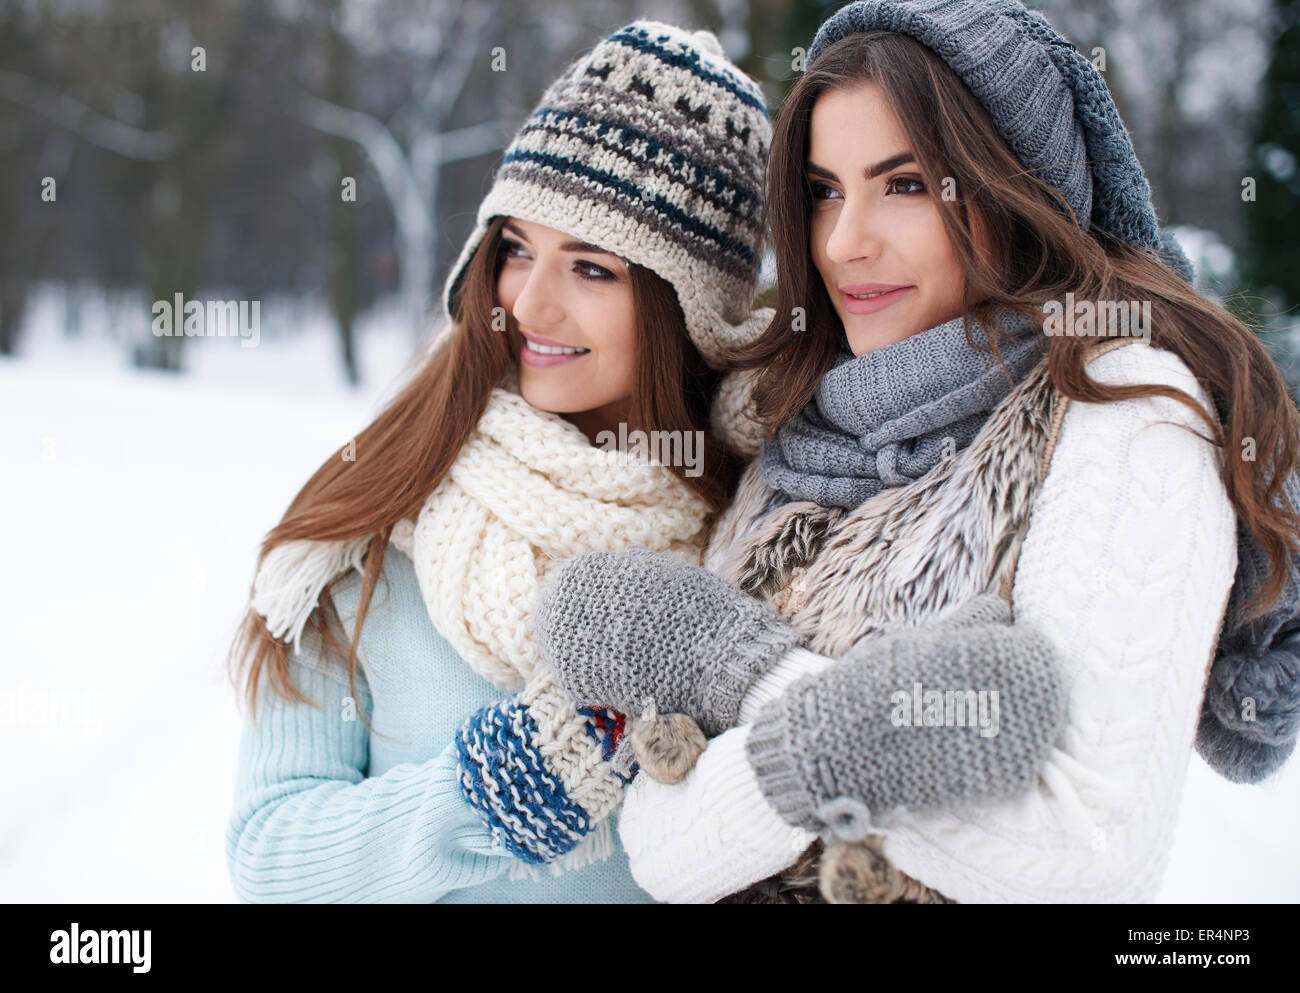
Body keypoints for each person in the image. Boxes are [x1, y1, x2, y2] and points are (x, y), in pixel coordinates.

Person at [534, 0, 1300, 903]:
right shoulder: (800, 431)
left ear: (1018, 188)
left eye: (905, 184)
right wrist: (878, 724)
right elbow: (664, 851)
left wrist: (749, 693)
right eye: (824, 191)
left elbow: (1086, 846)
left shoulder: (1130, 413)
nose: (844, 242)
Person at [222, 20, 774, 903]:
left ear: (692, 311)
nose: (530, 302)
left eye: (592, 268)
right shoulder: (385, 510)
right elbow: (272, 852)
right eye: (516, 249)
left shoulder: (759, 534)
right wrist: (495, 793)